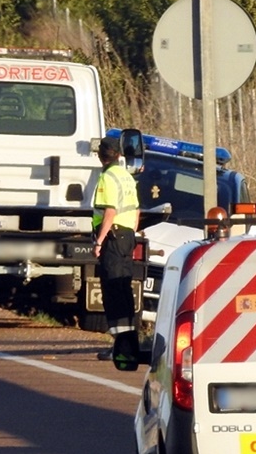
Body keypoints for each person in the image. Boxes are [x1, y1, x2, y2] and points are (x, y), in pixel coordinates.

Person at [92, 137, 140, 361]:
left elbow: (109, 211)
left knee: (113, 292)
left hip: (113, 236)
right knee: (124, 288)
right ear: (119, 155)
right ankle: (129, 343)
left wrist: (99, 240)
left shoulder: (107, 176)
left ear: (101, 156)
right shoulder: (126, 176)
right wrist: (131, 232)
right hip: (128, 234)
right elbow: (137, 210)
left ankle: (120, 347)